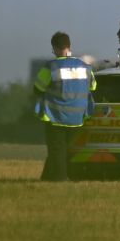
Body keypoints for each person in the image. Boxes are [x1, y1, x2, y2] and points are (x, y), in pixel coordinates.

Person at [34, 31, 96, 181]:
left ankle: (59, 179)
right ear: (69, 46)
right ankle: (47, 178)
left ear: (54, 48)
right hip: (77, 118)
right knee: (64, 150)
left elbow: (37, 88)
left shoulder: (51, 67)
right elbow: (93, 86)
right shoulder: (85, 67)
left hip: (56, 116)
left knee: (56, 150)